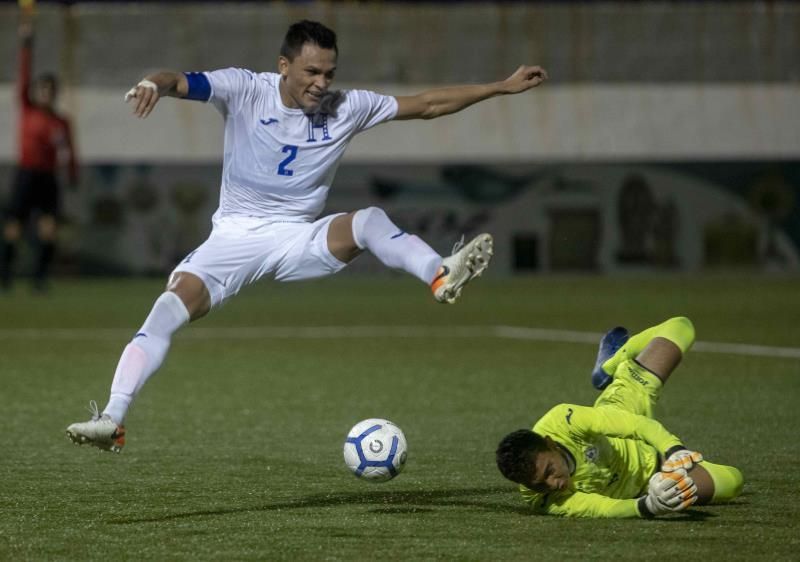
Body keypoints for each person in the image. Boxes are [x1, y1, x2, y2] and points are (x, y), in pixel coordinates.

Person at [66, 20, 548, 452]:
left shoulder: (348, 106)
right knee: (168, 308)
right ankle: (113, 418)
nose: (321, 84)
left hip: (298, 238)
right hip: (234, 236)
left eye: (329, 73)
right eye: (311, 72)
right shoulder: (244, 89)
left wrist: (501, 88)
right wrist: (154, 82)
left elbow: (428, 104)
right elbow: (178, 80)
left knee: (369, 220)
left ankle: (438, 273)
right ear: (284, 66)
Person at [496, 317, 744, 518]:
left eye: (549, 470)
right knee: (732, 482)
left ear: (549, 442)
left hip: (626, 408)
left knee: (681, 327)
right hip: (650, 479)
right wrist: (648, 506)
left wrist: (673, 450)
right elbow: (600, 507)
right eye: (539, 484)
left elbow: (635, 425)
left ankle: (610, 365)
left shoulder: (562, 421)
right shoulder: (540, 498)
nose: (553, 484)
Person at [2, 16, 79, 292]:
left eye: (50, 90)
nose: (45, 93)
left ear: (54, 93)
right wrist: (26, 42)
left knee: (48, 230)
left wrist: (72, 173)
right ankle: (6, 276)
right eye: (41, 89)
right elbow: (23, 74)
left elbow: (71, 150)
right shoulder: (27, 109)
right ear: (35, 92)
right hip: (26, 174)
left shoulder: (61, 121)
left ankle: (39, 279)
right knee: (14, 228)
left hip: (48, 178)